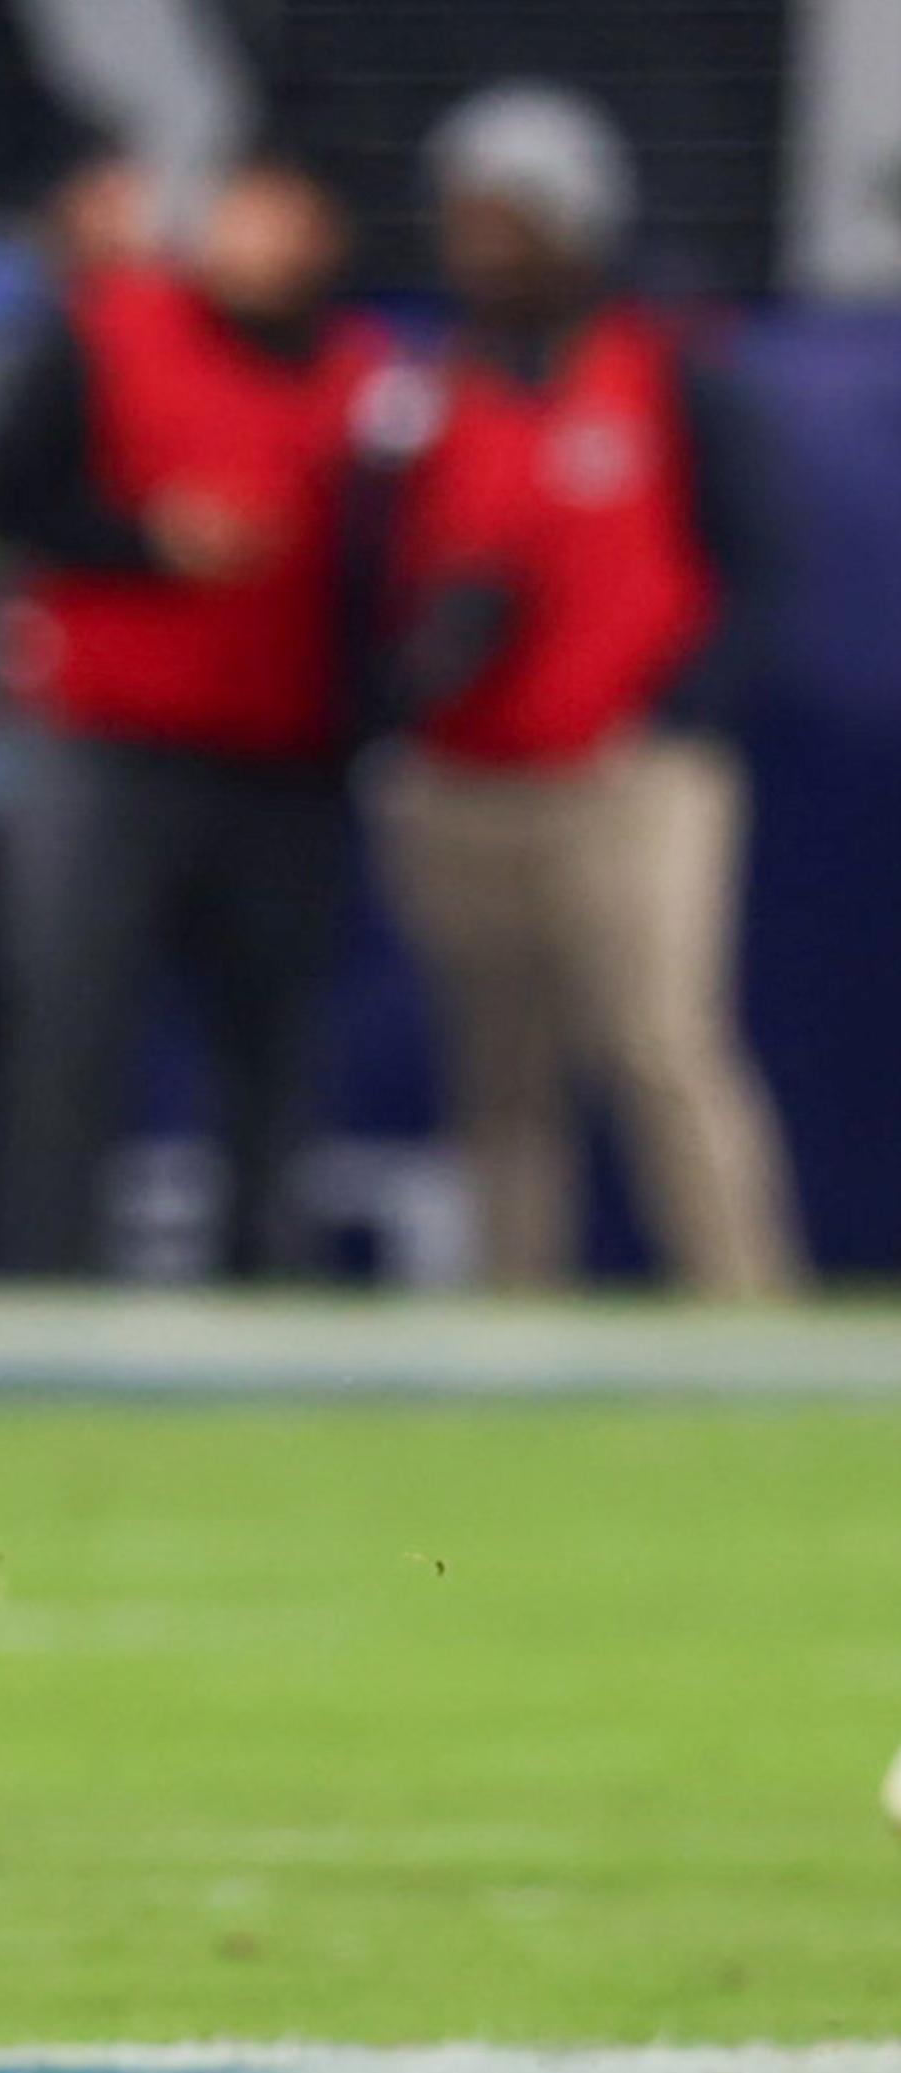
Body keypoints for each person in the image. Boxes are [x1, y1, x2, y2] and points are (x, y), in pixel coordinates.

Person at [365, 84, 800, 1298]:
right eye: (463, 222)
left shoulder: (665, 374)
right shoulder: (423, 388)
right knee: (495, 1074)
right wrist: (411, 681)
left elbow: (758, 565)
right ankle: (512, 1323)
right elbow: (373, 567)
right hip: (462, 781)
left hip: (627, 777)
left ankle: (744, 1306)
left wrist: (674, 714)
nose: (479, 248)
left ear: (574, 225)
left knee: (659, 1045)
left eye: (507, 221)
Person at [0, 144, 383, 1278]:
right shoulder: (108, 325)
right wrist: (146, 538)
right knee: (69, 1033)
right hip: (108, 745)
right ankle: (41, 1287)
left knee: (271, 1047)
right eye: (236, 203)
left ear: (321, 234)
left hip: (283, 761)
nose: (245, 233)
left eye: (276, 208)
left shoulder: (362, 375)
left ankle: (264, 1291)